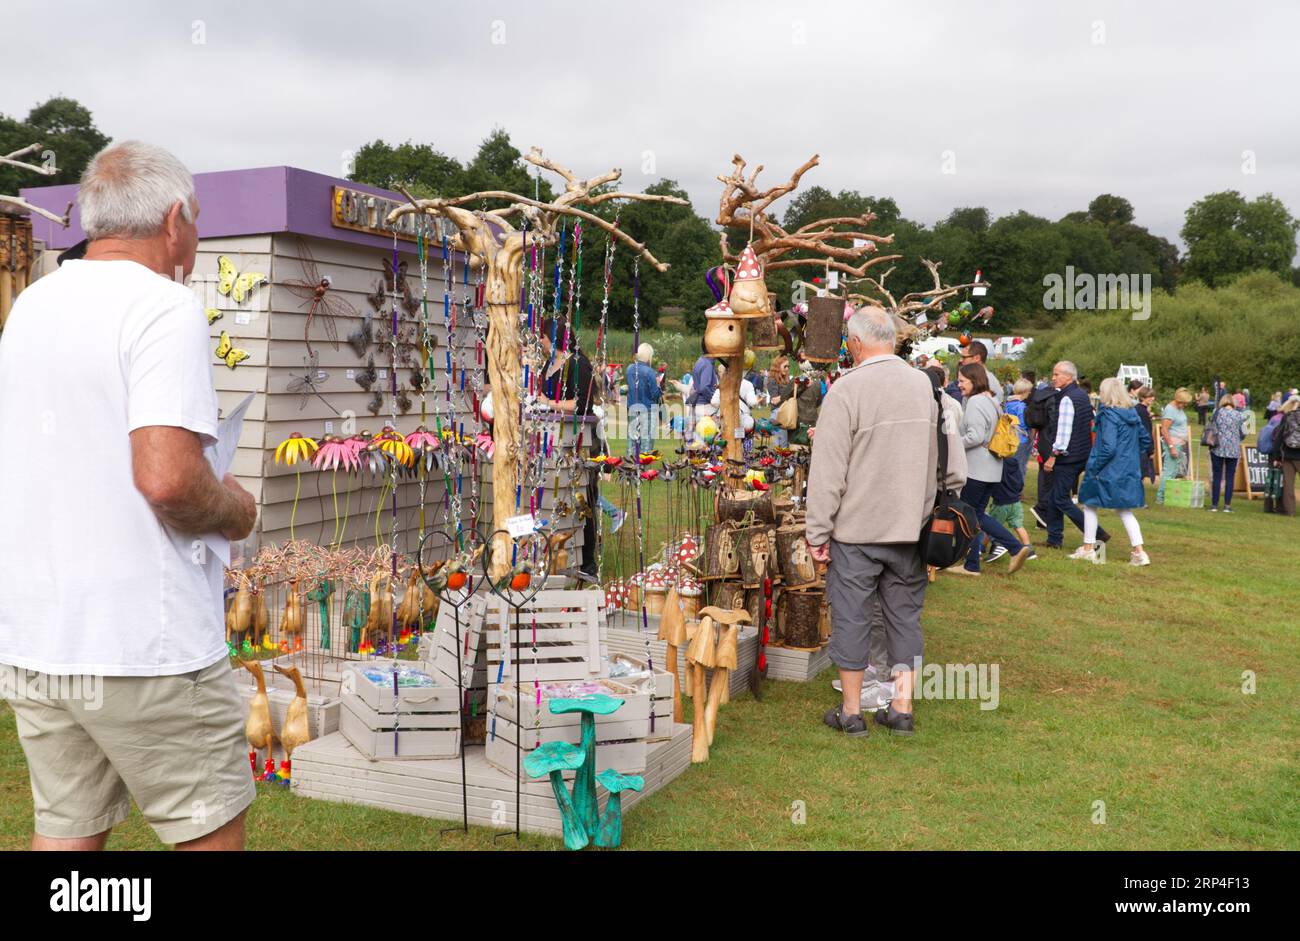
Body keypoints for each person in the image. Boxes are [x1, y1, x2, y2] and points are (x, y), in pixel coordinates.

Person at [0, 141, 259, 851]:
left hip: (39, 639)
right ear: (175, 219)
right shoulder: (164, 306)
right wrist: (236, 509)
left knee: (66, 835)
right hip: (146, 643)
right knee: (209, 830)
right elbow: (167, 477)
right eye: (197, 221)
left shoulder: (31, 305)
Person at [806, 309, 966, 737]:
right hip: (912, 529)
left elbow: (827, 474)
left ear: (855, 344)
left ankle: (852, 711)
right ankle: (901, 707)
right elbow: (954, 467)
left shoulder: (846, 390)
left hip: (857, 530)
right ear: (892, 340)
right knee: (904, 619)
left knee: (852, 618)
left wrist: (816, 533)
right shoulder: (930, 389)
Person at [950, 363, 1032, 576]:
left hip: (977, 468)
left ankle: (1014, 546)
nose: (958, 385)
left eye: (962, 381)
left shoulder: (976, 401)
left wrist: (952, 442)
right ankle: (972, 564)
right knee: (975, 515)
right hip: (993, 468)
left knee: (971, 515)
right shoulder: (991, 400)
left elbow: (975, 437)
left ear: (973, 380)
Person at [536, 315, 599, 577]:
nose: (539, 341)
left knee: (582, 498)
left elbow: (584, 404)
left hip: (578, 440)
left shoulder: (578, 364)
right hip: (549, 440)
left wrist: (550, 405)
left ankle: (585, 562)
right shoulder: (548, 364)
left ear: (551, 337)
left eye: (541, 336)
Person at [1072, 378, 1152, 565]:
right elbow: (1146, 441)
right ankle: (1139, 552)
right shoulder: (1132, 414)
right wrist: (1130, 456)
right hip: (1127, 469)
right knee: (1125, 510)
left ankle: (1088, 548)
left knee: (1090, 504)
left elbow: (1108, 447)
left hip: (1107, 468)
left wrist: (1094, 466)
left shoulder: (1108, 415)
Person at [1038, 361, 1110, 549]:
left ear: (1069, 377)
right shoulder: (1081, 396)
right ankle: (1054, 539)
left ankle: (1096, 533)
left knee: (1060, 498)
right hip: (1082, 453)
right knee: (1055, 495)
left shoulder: (1067, 398)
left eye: (1057, 374)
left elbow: (1064, 430)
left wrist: (1054, 455)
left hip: (1067, 456)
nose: (1053, 378)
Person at [769, 354, 823, 447]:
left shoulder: (796, 380)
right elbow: (819, 401)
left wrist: (780, 398)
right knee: (809, 449)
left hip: (797, 420)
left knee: (793, 448)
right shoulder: (818, 382)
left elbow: (786, 395)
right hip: (813, 420)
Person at [1207, 393, 1249, 512]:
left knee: (1217, 476)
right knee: (1230, 477)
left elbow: (1211, 426)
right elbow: (1244, 433)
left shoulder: (1217, 412)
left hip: (1217, 447)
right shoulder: (1239, 415)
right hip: (1233, 448)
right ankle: (1227, 505)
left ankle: (1214, 505)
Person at [1156, 388, 1193, 504]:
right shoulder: (1170, 410)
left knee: (1174, 472)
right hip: (1173, 444)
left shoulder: (1178, 408)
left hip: (1179, 443)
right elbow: (1165, 430)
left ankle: (1168, 495)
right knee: (1169, 471)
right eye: (1185, 403)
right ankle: (1161, 497)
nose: (1186, 405)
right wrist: (1171, 446)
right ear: (1178, 401)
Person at [624, 342, 660, 458]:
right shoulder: (650, 372)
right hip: (647, 409)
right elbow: (655, 394)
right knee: (646, 440)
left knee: (632, 439)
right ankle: (644, 469)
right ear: (649, 356)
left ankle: (630, 465)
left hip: (632, 408)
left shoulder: (629, 369)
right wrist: (659, 385)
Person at [1267, 396, 1300, 517]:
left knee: (1288, 485)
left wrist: (1276, 457)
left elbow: (1279, 437)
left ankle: (1290, 511)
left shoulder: (1288, 416)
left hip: (1287, 455)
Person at [710, 362, 759, 434]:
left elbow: (714, 402)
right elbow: (752, 402)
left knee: (726, 440)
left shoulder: (723, 383)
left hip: (725, 419)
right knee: (739, 440)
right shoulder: (748, 384)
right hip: (742, 421)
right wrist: (757, 400)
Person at [686, 339, 717, 435]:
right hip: (706, 407)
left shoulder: (701, 360)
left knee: (701, 442)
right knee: (708, 442)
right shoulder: (707, 364)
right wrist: (714, 399)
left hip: (699, 406)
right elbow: (703, 387)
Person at [1005, 377, 1033, 475]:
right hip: (1021, 439)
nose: (1029, 393)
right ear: (1024, 391)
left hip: (1008, 437)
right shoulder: (1021, 406)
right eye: (1029, 391)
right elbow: (1023, 424)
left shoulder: (1008, 403)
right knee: (1020, 466)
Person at [1134, 387, 1158, 490]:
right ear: (1143, 397)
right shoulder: (1142, 411)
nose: (1152, 398)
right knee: (1141, 474)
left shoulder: (1137, 409)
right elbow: (1146, 431)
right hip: (1142, 447)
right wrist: (1150, 449)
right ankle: (1137, 498)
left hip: (1136, 445)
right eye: (1150, 396)